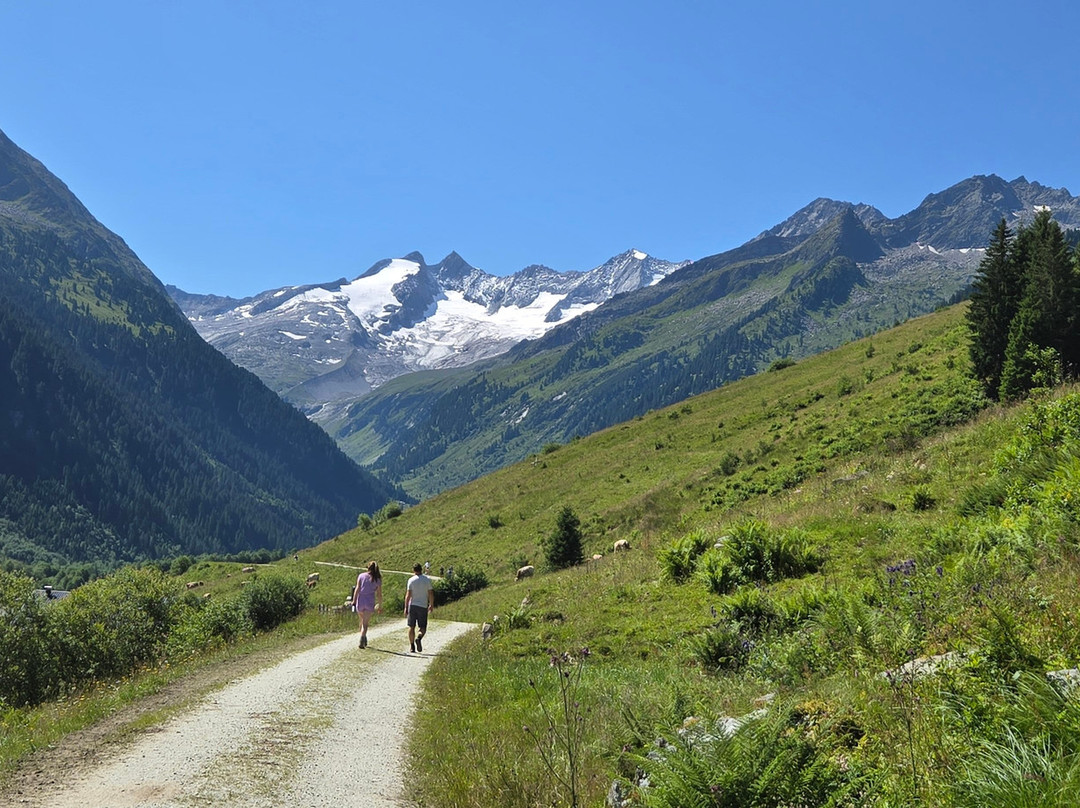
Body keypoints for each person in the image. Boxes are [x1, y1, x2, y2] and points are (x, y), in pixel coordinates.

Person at [404, 562, 434, 653]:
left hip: (412, 605)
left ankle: (412, 646)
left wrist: (405, 607)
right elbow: (430, 593)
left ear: (413, 570)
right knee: (422, 627)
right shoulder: (427, 580)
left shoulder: (411, 580)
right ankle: (419, 637)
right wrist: (431, 604)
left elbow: (408, 595)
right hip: (423, 606)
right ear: (421, 569)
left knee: (411, 627)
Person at [352, 561, 382, 649]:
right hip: (369, 601)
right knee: (365, 623)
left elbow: (357, 589)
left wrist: (354, 601)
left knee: (361, 620)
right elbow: (379, 594)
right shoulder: (377, 579)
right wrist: (380, 605)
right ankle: (362, 638)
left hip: (360, 600)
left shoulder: (361, 576)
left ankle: (363, 637)